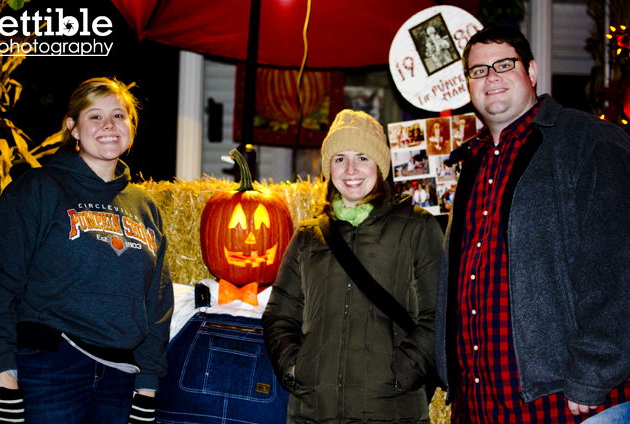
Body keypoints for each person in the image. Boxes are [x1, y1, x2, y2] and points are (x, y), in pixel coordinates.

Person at [435, 25, 630, 423]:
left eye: (503, 65)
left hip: (566, 401)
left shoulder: (589, 142)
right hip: (481, 403)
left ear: (533, 72)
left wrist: (594, 373)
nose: (490, 77)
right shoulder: (473, 162)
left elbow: (616, 267)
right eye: (478, 70)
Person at [0, 77, 174, 424]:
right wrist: (4, 377)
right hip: (48, 368)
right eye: (95, 116)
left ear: (131, 128)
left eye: (119, 116)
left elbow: (157, 305)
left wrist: (147, 387)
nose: (109, 125)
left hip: (120, 376)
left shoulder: (145, 206)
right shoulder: (38, 189)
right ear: (72, 128)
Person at [262, 109, 443, 424]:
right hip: (313, 414)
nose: (350, 170)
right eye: (339, 159)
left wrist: (402, 373)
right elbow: (279, 315)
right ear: (328, 168)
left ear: (380, 165)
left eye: (362, 157)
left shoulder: (417, 227)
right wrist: (296, 368)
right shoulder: (308, 236)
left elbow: (440, 313)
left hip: (392, 413)